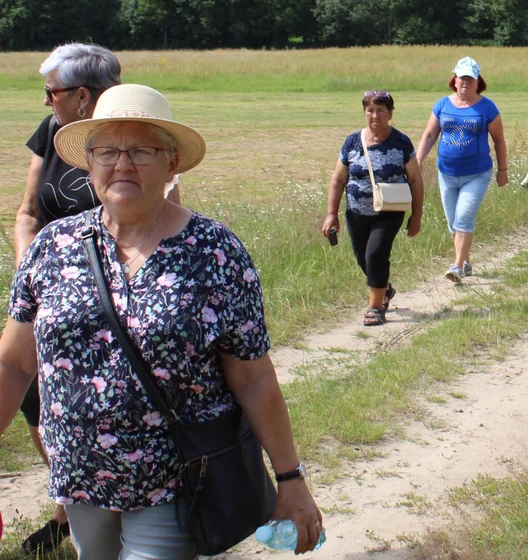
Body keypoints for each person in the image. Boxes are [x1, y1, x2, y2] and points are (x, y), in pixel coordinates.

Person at [1, 84, 323, 557]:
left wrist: (290, 478)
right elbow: (14, 365)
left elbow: (254, 377)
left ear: (172, 163)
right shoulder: (54, 245)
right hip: (78, 476)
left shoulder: (215, 252)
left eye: (141, 151)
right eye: (108, 150)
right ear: (88, 163)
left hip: (174, 480)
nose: (122, 164)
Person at [12, 43, 130, 554]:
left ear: (82, 96)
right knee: (36, 401)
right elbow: (27, 212)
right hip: (52, 296)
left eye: (51, 93)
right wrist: (30, 274)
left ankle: (124, 504)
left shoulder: (130, 134)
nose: (46, 103)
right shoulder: (52, 135)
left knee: (106, 406)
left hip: (110, 302)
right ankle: (71, 505)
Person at [323, 91, 424, 326]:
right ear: (364, 113)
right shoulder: (352, 142)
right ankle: (384, 289)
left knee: (375, 253)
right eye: (370, 110)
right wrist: (331, 214)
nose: (375, 115)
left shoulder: (401, 142)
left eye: (380, 110)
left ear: (390, 113)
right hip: (356, 213)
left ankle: (376, 307)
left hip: (389, 212)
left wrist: (416, 216)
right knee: (362, 258)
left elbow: (416, 180)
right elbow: (338, 180)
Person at [417, 57, 509, 283]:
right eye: (462, 78)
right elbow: (429, 135)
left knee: (464, 218)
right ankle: (465, 261)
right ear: (454, 80)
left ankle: (457, 266)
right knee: (453, 221)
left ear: (478, 82)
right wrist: (417, 161)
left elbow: (498, 140)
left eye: (470, 78)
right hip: (447, 174)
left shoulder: (487, 108)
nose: (465, 82)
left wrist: (502, 169)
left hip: (476, 174)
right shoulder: (442, 105)